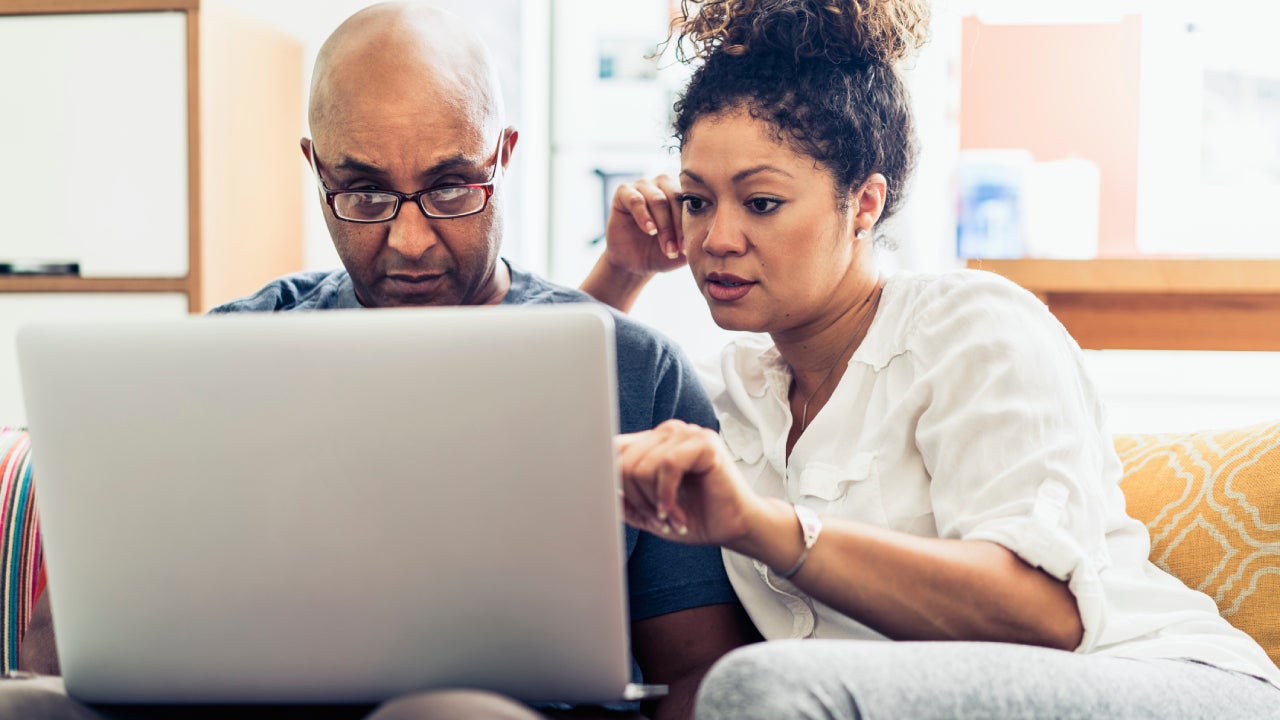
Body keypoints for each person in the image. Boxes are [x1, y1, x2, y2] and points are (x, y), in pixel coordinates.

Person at [0, 3, 756, 719]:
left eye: (451, 187)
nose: (411, 242)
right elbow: (53, 652)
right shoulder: (232, 349)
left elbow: (697, 671)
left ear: (505, 155)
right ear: (316, 169)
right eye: (362, 194)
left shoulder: (638, 372)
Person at [580, 0, 1280, 717]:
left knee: (758, 685)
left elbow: (1044, 615)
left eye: (760, 203)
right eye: (696, 202)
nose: (716, 238)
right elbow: (577, 425)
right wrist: (621, 272)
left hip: (1154, 679)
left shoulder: (972, 326)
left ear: (864, 204)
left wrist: (760, 523)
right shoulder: (738, 396)